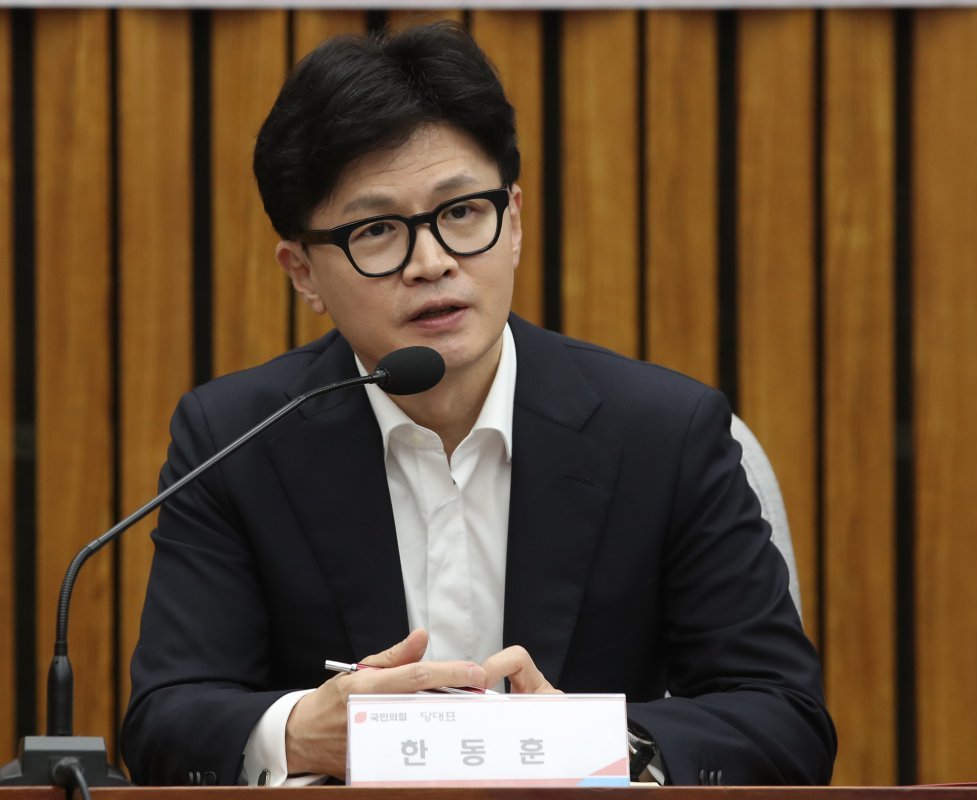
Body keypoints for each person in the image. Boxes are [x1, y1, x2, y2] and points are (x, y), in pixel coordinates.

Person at [120, 22, 836, 787]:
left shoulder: (663, 434)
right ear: (303, 274)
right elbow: (167, 718)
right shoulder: (235, 439)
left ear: (515, 220)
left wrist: (594, 744)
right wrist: (300, 731)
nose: (432, 263)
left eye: (462, 213)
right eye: (377, 230)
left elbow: (782, 716)